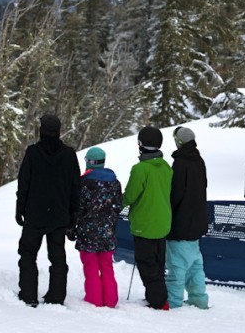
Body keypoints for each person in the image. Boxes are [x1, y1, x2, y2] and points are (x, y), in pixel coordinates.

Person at [15, 114, 81, 307]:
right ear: (58, 131)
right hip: (59, 215)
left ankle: (28, 294)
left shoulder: (33, 153)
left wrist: (19, 210)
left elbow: (23, 184)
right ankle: (56, 296)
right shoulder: (69, 154)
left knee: (28, 254)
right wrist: (73, 215)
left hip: (34, 215)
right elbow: (75, 187)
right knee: (58, 257)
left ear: (41, 130)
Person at [123, 125, 173, 310]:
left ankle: (159, 301)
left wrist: (115, 205)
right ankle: (154, 297)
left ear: (140, 145)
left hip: (144, 224)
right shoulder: (166, 167)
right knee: (158, 263)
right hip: (163, 223)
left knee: (147, 264)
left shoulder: (140, 169)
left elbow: (130, 195)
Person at [67, 146, 123, 308]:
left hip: (87, 232)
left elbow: (76, 208)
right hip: (107, 232)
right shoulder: (114, 182)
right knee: (107, 267)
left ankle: (94, 300)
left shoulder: (83, 183)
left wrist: (71, 228)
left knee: (90, 267)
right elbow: (118, 205)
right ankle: (111, 300)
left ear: (89, 162)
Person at [165, 126, 209, 309]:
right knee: (195, 265)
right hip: (196, 222)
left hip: (181, 223)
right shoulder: (199, 161)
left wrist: (169, 213)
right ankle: (199, 299)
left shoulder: (180, 163)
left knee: (177, 265)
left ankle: (173, 301)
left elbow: (175, 194)